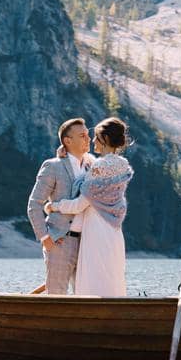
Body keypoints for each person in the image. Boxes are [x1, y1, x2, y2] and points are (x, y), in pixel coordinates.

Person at [46, 117, 133, 297]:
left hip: (96, 230)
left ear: (106, 139)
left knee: (93, 279)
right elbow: (90, 164)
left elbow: (79, 205)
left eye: (96, 137)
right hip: (114, 231)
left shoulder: (99, 167)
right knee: (111, 277)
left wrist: (53, 206)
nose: (92, 140)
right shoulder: (122, 165)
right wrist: (67, 151)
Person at [26, 117, 93, 294]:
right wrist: (45, 238)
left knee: (86, 298)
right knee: (56, 296)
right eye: (83, 135)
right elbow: (34, 204)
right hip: (59, 242)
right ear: (67, 141)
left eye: (88, 134)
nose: (89, 138)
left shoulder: (90, 168)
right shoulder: (53, 166)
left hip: (87, 244)